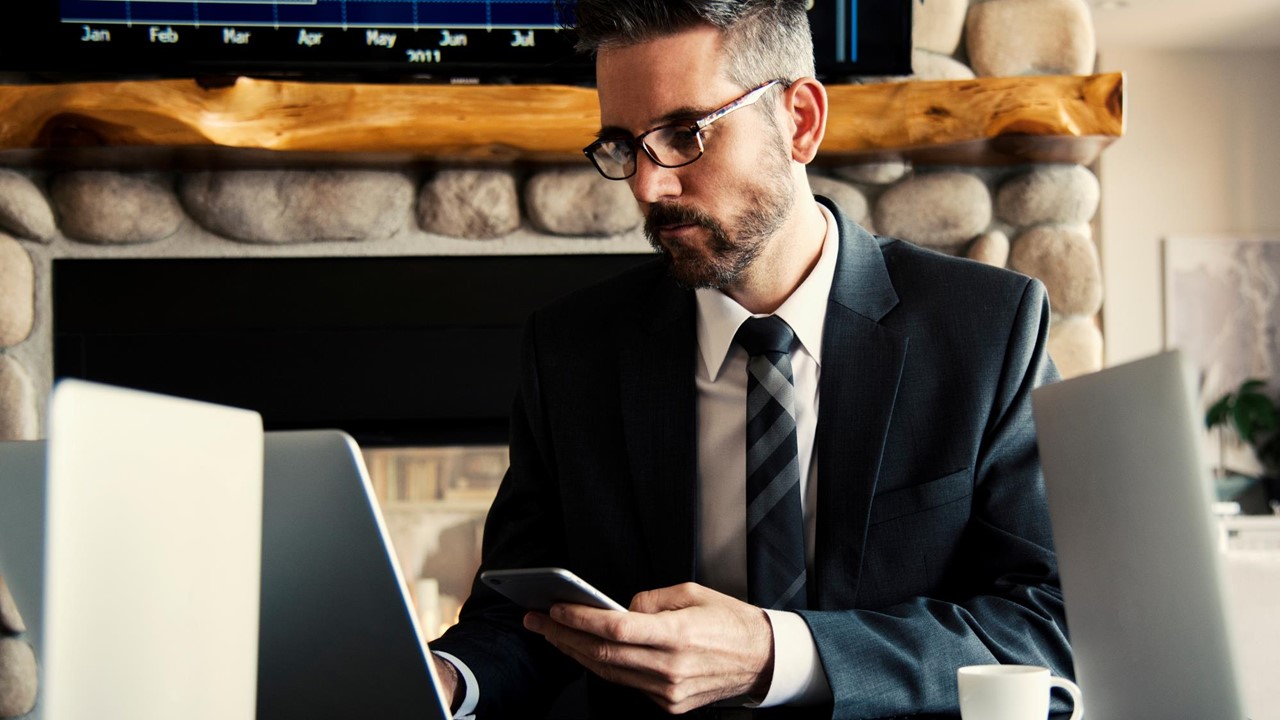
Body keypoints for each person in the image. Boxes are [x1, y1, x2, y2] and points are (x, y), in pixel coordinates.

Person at [429, 1, 1072, 717]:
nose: (648, 186)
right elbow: (519, 615)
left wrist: (777, 654)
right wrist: (448, 679)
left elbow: (1047, 624)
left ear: (800, 120)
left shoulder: (986, 330)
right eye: (623, 145)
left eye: (683, 134)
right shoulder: (572, 352)